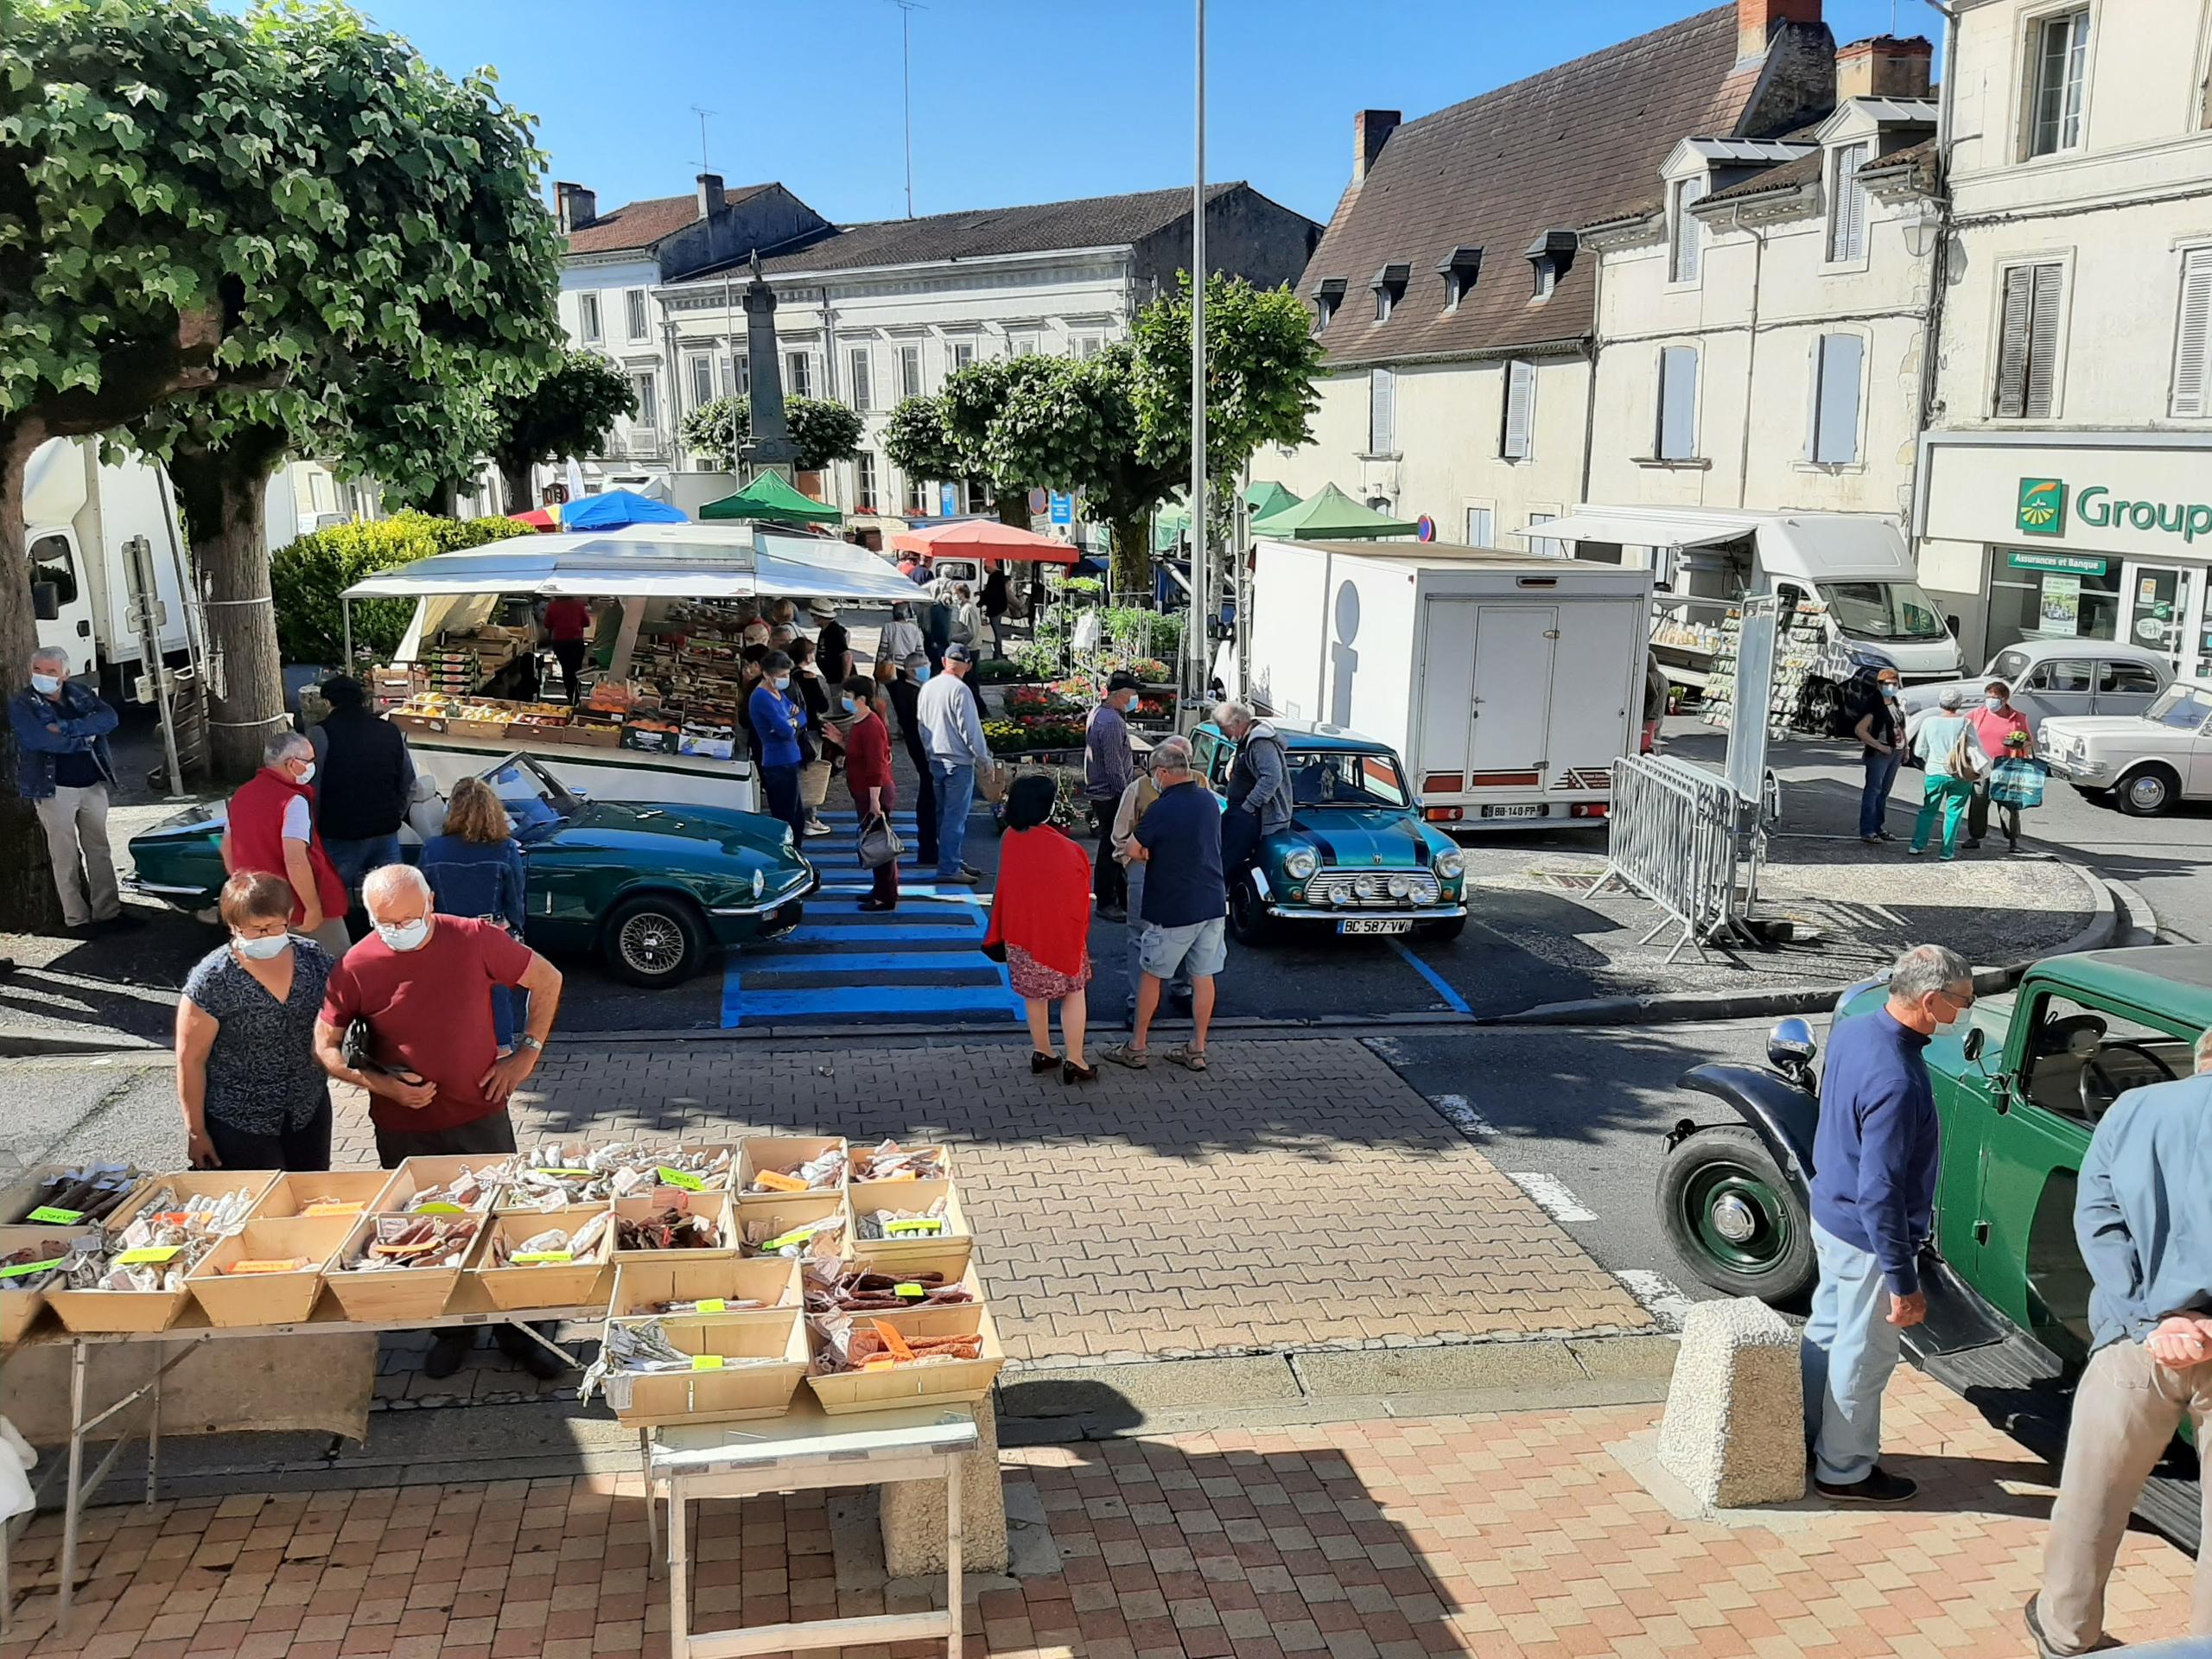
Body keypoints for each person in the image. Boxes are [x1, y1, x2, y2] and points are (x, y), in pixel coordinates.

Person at [315, 863, 564, 1380]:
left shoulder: (473, 938)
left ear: (430, 902)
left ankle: (518, 1331)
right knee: (424, 1228)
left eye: (410, 918)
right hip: (403, 1127)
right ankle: (451, 1331)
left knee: (501, 1223)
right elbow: (326, 1046)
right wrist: (380, 1084)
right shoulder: (356, 965)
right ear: (370, 915)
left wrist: (525, 1055)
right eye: (387, 922)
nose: (400, 929)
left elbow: (547, 979)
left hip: (479, 1114)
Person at [2029, 1027, 2212, 1659]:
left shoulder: (2133, 1109)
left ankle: (2066, 1634)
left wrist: (2153, 1321)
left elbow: (2097, 1218)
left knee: (2093, 1499)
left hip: (2136, 1343)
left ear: (2202, 1060)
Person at [1801, 942, 1975, 1504]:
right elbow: (1881, 1192)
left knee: (1829, 1332)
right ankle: (1844, 1470)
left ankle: (1806, 1435)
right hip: (1868, 1237)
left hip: (1832, 1214)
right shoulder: (1898, 1081)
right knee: (1865, 1355)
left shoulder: (1856, 1029)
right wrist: (1903, 1282)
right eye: (1963, 1002)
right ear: (1931, 1001)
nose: (1965, 1013)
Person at [175, 871, 336, 1172]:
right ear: (233, 927)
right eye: (253, 930)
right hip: (240, 1123)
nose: (265, 936)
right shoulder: (212, 979)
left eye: (274, 926)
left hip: (307, 1110)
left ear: (288, 916)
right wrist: (196, 1131)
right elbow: (191, 1060)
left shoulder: (314, 960)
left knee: (312, 1193)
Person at [1104, 735, 1224, 1073]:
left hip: (1173, 905)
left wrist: (1148, 852)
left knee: (1151, 975)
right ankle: (1197, 1048)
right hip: (1212, 902)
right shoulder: (1208, 800)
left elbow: (1131, 848)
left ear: (1161, 772)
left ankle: (1137, 1047)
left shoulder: (1162, 807)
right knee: (1203, 977)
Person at [10, 645, 131, 932]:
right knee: (64, 856)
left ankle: (108, 913)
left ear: (64, 674)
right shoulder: (22, 703)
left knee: (99, 850)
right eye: (37, 670)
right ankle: (77, 920)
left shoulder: (80, 693)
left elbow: (109, 719)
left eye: (50, 671)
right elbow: (39, 740)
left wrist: (65, 727)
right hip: (53, 790)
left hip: (91, 784)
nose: (42, 676)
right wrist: (86, 736)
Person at [985, 772, 1096, 1083]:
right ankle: (1075, 1059)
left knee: (1034, 996)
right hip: (1060, 936)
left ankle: (1043, 1051)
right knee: (1073, 992)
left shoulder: (1010, 838)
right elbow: (1078, 897)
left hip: (1020, 934)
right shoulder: (1067, 849)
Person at [417, 777, 530, 1051]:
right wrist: (517, 931)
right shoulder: (505, 849)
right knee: (496, 995)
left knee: (448, 994)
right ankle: (501, 1049)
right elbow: (515, 899)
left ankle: (452, 1049)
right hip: (491, 932)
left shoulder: (432, 848)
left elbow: (421, 897)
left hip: (446, 932)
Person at [224, 730, 351, 957]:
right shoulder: (293, 801)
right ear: (293, 764)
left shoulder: (239, 796)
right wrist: (312, 907)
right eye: (309, 760)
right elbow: (295, 860)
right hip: (294, 902)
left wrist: (242, 890)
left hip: (258, 904)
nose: (312, 766)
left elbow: (227, 848)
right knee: (338, 962)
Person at [308, 676, 415, 912]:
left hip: (340, 833)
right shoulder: (390, 731)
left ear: (328, 703)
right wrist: (394, 814)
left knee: (335, 903)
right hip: (385, 830)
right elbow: (409, 783)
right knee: (393, 902)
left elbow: (313, 788)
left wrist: (315, 827)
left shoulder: (320, 734)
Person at [1111, 752, 1195, 1030]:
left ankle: (1181, 989)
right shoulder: (1138, 788)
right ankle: (1138, 1002)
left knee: (1182, 929)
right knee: (1141, 933)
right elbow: (1121, 833)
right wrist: (1129, 861)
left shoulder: (1198, 785)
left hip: (1182, 868)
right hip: (1144, 867)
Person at [918, 644, 993, 887]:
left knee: (944, 814)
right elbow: (970, 730)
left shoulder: (929, 687)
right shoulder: (961, 690)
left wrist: (929, 751)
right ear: (968, 666)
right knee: (955, 817)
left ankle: (952, 859)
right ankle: (949, 866)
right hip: (958, 761)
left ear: (943, 661)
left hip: (936, 758)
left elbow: (921, 725)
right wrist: (984, 759)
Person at [1084, 674, 1141, 922]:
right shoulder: (1111, 722)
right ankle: (1106, 901)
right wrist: (1127, 795)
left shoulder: (1100, 713)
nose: (1135, 699)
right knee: (1112, 847)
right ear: (1121, 695)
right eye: (1133, 694)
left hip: (1103, 792)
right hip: (1110, 794)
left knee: (1114, 846)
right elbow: (1113, 765)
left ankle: (1118, 898)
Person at [1908, 689, 1989, 861]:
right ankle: (1947, 851)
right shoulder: (1965, 723)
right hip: (1959, 773)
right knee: (1954, 812)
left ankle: (1917, 845)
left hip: (1934, 771)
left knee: (1928, 810)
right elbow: (1976, 747)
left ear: (1940, 702)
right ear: (1959, 704)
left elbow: (1919, 750)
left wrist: (1930, 759)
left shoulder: (1929, 722)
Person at [842, 674, 900, 912]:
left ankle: (886, 896)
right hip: (863, 792)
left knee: (880, 845)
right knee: (874, 842)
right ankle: (879, 889)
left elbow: (877, 766)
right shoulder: (860, 721)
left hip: (874, 794)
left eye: (848, 695)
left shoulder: (871, 725)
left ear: (861, 699)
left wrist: (875, 801)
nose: (844, 699)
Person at [1213, 699, 1290, 876]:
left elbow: (1272, 777)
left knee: (1223, 863)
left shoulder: (1260, 742)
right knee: (1218, 856)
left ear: (1236, 723)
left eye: (1223, 728)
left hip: (1250, 814)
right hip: (1242, 811)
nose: (1222, 733)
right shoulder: (1247, 740)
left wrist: (1249, 805)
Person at [1966, 678, 2035, 854]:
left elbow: (2029, 741)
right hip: (1982, 766)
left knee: (2008, 805)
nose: (1991, 700)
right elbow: (1963, 734)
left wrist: (2021, 743)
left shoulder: (2017, 718)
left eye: (1995, 697)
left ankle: (2012, 840)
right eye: (1988, 697)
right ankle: (1975, 837)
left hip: (2007, 766)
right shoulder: (1977, 714)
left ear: (2004, 699)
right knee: (1978, 802)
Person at [748, 650, 810, 846]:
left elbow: (802, 715)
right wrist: (792, 722)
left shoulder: (778, 694)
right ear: (767, 674)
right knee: (787, 819)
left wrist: (792, 722)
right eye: (781, 675)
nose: (786, 679)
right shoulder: (762, 697)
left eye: (787, 674)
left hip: (789, 759)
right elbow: (785, 730)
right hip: (778, 763)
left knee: (797, 818)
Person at [887, 652, 939, 872]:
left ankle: (930, 848)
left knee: (929, 795)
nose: (927, 669)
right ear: (910, 671)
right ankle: (929, 849)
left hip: (920, 748)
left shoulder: (909, 690)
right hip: (923, 749)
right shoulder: (910, 693)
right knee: (929, 796)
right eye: (923, 666)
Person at [789, 636, 837, 837]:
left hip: (791, 729)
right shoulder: (808, 678)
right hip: (809, 729)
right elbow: (823, 705)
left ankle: (798, 813)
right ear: (808, 656)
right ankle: (810, 817)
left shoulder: (788, 676)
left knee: (797, 771)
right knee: (812, 772)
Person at [1853, 669, 1906, 845]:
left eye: (1894, 683)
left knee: (1884, 792)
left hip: (1896, 752)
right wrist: (1879, 746)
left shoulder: (1894, 702)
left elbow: (1900, 726)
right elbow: (1860, 730)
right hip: (1879, 754)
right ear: (1879, 685)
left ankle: (1878, 827)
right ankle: (1868, 830)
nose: (1892, 687)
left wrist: (1906, 748)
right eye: (1887, 684)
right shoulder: (1874, 704)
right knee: (1873, 791)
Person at [543, 594, 594, 704]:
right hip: (576, 641)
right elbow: (587, 623)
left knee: (566, 669)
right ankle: (576, 693)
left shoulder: (552, 606)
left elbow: (547, 624)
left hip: (560, 642)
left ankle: (570, 694)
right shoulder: (578, 605)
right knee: (577, 668)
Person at [811, 599, 850, 683]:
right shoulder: (826, 629)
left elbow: (847, 655)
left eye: (813, 615)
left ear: (819, 617)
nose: (812, 618)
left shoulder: (834, 631)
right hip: (832, 677)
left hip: (838, 680)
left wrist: (845, 678)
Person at [881, 601, 926, 667]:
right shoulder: (914, 629)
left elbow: (882, 650)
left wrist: (878, 665)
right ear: (906, 613)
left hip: (892, 666)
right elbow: (920, 651)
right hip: (910, 666)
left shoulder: (888, 627)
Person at [981, 566, 1011, 658]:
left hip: (995, 610)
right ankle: (998, 652)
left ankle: (998, 653)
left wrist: (982, 599)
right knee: (997, 631)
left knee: (996, 632)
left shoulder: (995, 579)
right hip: (998, 609)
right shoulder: (998, 580)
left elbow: (990, 594)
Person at [950, 583, 984, 655]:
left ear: (962, 594)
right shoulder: (963, 607)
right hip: (967, 647)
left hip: (970, 649)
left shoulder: (968, 609)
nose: (954, 597)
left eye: (955, 594)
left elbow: (971, 633)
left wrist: (951, 638)